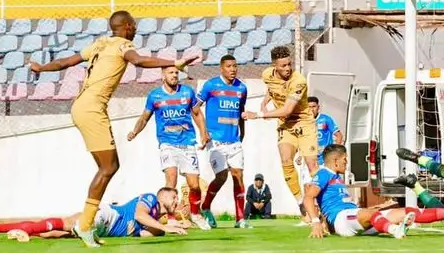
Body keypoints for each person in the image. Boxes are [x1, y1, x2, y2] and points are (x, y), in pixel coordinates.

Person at [28, 10, 200, 248]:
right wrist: (174, 62)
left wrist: (41, 68)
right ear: (127, 26)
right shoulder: (122, 45)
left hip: (82, 106)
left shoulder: (100, 44)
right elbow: (139, 61)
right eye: (135, 25)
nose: (137, 28)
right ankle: (85, 225)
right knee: (109, 167)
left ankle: (86, 223)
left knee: (107, 166)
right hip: (92, 109)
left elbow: (67, 61)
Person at [126, 66, 212, 230]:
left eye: (176, 73)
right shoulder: (154, 96)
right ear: (163, 75)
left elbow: (197, 113)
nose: (174, 75)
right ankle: (171, 218)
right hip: (167, 143)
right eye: (170, 73)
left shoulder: (187, 92)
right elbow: (144, 118)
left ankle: (195, 214)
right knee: (171, 180)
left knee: (194, 185)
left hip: (187, 142)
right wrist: (134, 131)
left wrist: (204, 132)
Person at [304, 144, 444, 239]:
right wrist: (316, 222)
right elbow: (308, 197)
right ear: (335, 160)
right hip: (342, 220)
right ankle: (394, 230)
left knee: (406, 211)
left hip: (357, 217)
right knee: (371, 213)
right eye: (344, 159)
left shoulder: (336, 176)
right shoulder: (323, 174)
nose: (346, 163)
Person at [243, 45, 317, 223]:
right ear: (274, 66)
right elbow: (272, 88)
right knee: (285, 160)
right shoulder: (267, 74)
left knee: (312, 166)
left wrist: (258, 114)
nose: (287, 68)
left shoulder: (298, 81)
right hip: (286, 126)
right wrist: (264, 101)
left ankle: (321, 203)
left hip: (303, 123)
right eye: (283, 65)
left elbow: (286, 110)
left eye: (289, 64)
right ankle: (301, 202)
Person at [0, 187, 188, 243]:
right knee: (64, 223)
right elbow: (140, 215)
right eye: (174, 197)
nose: (176, 201)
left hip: (105, 230)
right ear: (163, 197)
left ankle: (14, 231)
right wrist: (166, 226)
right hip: (106, 217)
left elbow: (144, 234)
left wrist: (170, 225)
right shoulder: (150, 199)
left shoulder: (154, 222)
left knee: (52, 234)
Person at [193, 54, 251, 228]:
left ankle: (240, 219)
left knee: (238, 176)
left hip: (234, 140)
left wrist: (242, 133)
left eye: (235, 66)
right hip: (215, 141)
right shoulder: (211, 85)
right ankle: (205, 206)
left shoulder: (242, 88)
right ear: (221, 68)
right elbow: (194, 108)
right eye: (228, 66)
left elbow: (241, 113)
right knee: (221, 176)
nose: (232, 69)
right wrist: (203, 132)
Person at [308, 96, 343, 166]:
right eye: (309, 107)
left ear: (318, 107)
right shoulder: (304, 121)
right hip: (310, 158)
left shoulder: (326, 119)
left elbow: (339, 135)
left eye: (314, 106)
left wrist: (335, 153)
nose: (311, 109)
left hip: (325, 159)